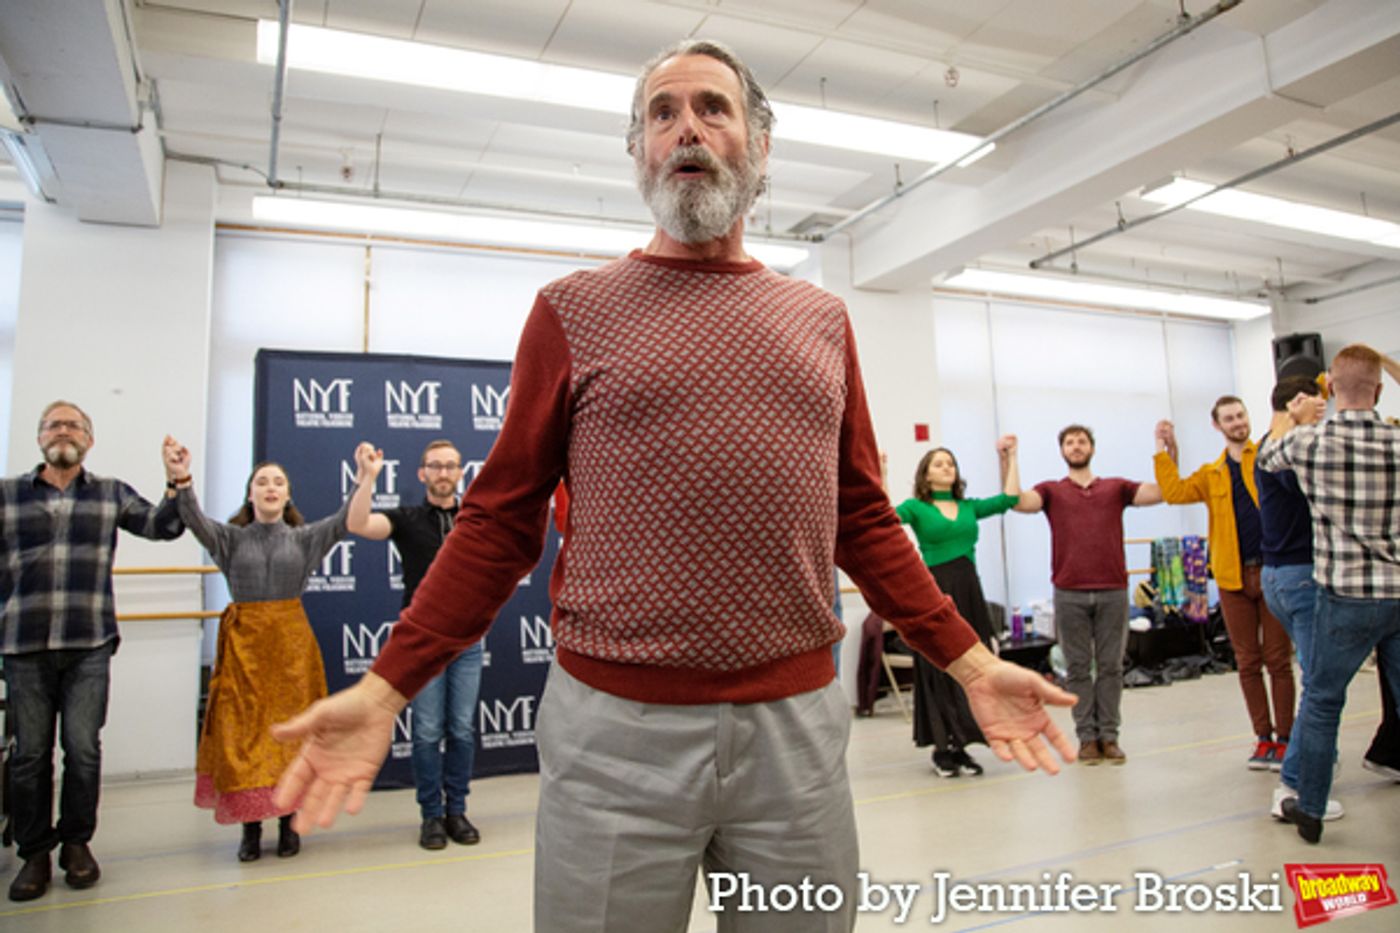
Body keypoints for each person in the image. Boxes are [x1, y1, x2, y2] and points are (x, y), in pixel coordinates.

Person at [270, 39, 1076, 933]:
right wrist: (388, 687)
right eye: (662, 113)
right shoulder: (571, 311)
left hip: (796, 741)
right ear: (638, 152)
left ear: (759, 145)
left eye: (712, 108)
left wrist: (970, 661)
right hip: (613, 738)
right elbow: (497, 523)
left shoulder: (822, 321)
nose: (686, 127)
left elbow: (861, 518)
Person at [2, 402, 184, 902]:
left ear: (89, 440)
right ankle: (34, 854)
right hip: (23, 644)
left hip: (89, 644)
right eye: (54, 425)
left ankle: (76, 844)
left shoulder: (109, 493)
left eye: (74, 425)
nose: (64, 431)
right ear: (40, 438)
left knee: (82, 750)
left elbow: (163, 527)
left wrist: (176, 481)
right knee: (29, 755)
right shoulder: (7, 494)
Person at [161, 437, 362, 862]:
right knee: (244, 738)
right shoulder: (230, 540)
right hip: (244, 652)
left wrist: (365, 478)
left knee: (292, 736)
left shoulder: (305, 538)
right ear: (250, 495)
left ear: (288, 496)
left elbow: (344, 521)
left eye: (278, 483)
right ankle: (250, 830)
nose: (271, 488)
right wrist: (181, 478)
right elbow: (193, 518)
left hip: (292, 652)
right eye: (262, 482)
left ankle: (289, 824)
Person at [1258, 344, 1400, 844]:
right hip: (1398, 592)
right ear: (1378, 391)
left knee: (1322, 702)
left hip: (1343, 596)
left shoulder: (1309, 442)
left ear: (1331, 388)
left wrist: (1295, 415)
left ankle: (1312, 810)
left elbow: (1266, 457)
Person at [346, 439, 483, 850]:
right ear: (422, 473)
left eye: (451, 466)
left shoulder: (476, 519)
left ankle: (457, 811)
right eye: (435, 466)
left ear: (461, 472)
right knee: (425, 732)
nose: (443, 473)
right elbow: (358, 524)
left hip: (468, 642)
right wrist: (367, 478)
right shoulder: (406, 519)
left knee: (461, 730)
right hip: (422, 644)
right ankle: (431, 816)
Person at [1155, 399, 1295, 769]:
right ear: (1217, 426)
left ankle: (1287, 738)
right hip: (1233, 578)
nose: (1237, 423)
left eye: (1240, 416)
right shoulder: (1211, 473)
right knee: (1247, 662)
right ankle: (1263, 738)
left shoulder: (1265, 456)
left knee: (1278, 660)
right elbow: (1174, 493)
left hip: (1272, 572)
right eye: (1229, 419)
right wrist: (1167, 452)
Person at [1014, 424, 1162, 765]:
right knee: (1078, 669)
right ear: (1062, 451)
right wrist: (1009, 458)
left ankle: (1109, 736)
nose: (1076, 446)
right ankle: (1087, 739)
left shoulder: (1116, 488)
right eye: (1069, 442)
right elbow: (1018, 502)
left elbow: (1161, 492)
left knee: (1111, 667)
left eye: (1082, 441)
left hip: (1112, 590)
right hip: (1069, 592)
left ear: (1092, 448)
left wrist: (1164, 447)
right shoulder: (1051, 491)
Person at [894, 436, 1020, 777]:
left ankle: (962, 744)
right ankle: (941, 747)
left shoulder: (968, 507)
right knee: (938, 668)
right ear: (926, 474)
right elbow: (884, 518)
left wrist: (1011, 456)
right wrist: (881, 472)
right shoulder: (916, 507)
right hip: (933, 593)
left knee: (971, 669)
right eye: (938, 464)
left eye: (950, 463)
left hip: (969, 593)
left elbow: (1010, 499)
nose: (946, 467)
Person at [1254, 376, 1344, 822]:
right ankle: (1295, 783)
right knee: (1320, 685)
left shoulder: (1270, 444)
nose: (1323, 412)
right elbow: (1311, 486)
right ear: (1299, 402)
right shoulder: (1285, 447)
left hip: (1282, 576)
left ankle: (1319, 761)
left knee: (1317, 679)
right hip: (1298, 576)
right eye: (1319, 404)